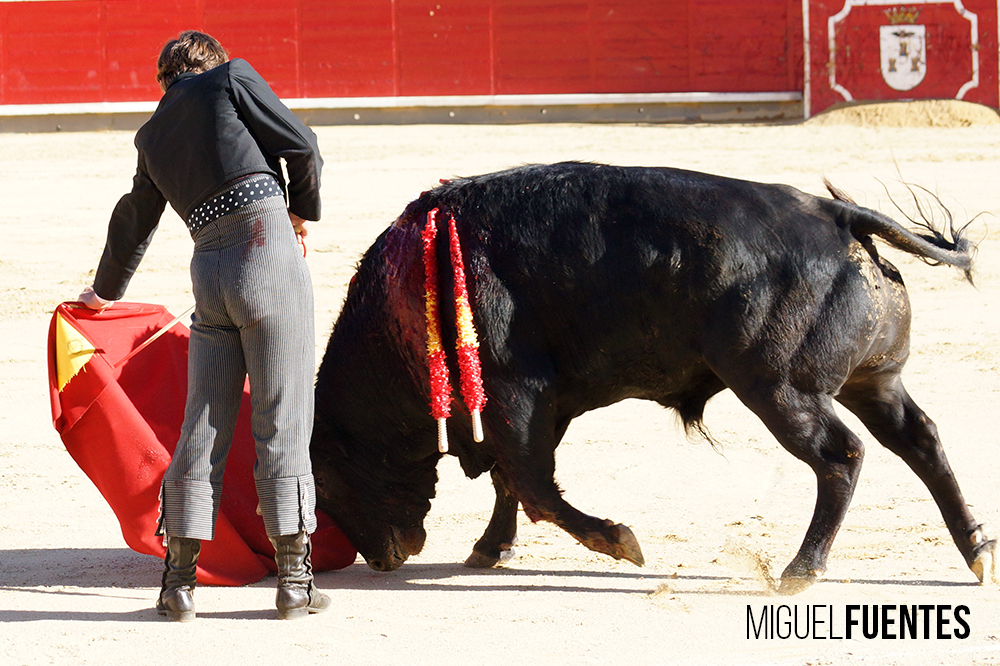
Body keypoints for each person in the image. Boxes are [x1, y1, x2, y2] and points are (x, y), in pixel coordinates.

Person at [78, 30, 329, 621]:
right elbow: (304, 147)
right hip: (265, 248)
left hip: (208, 269)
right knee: (282, 413)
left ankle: (178, 583)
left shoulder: (152, 133)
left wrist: (104, 291)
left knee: (204, 422)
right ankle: (295, 581)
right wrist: (300, 209)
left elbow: (134, 218)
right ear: (208, 66)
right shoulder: (231, 77)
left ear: (165, 81)